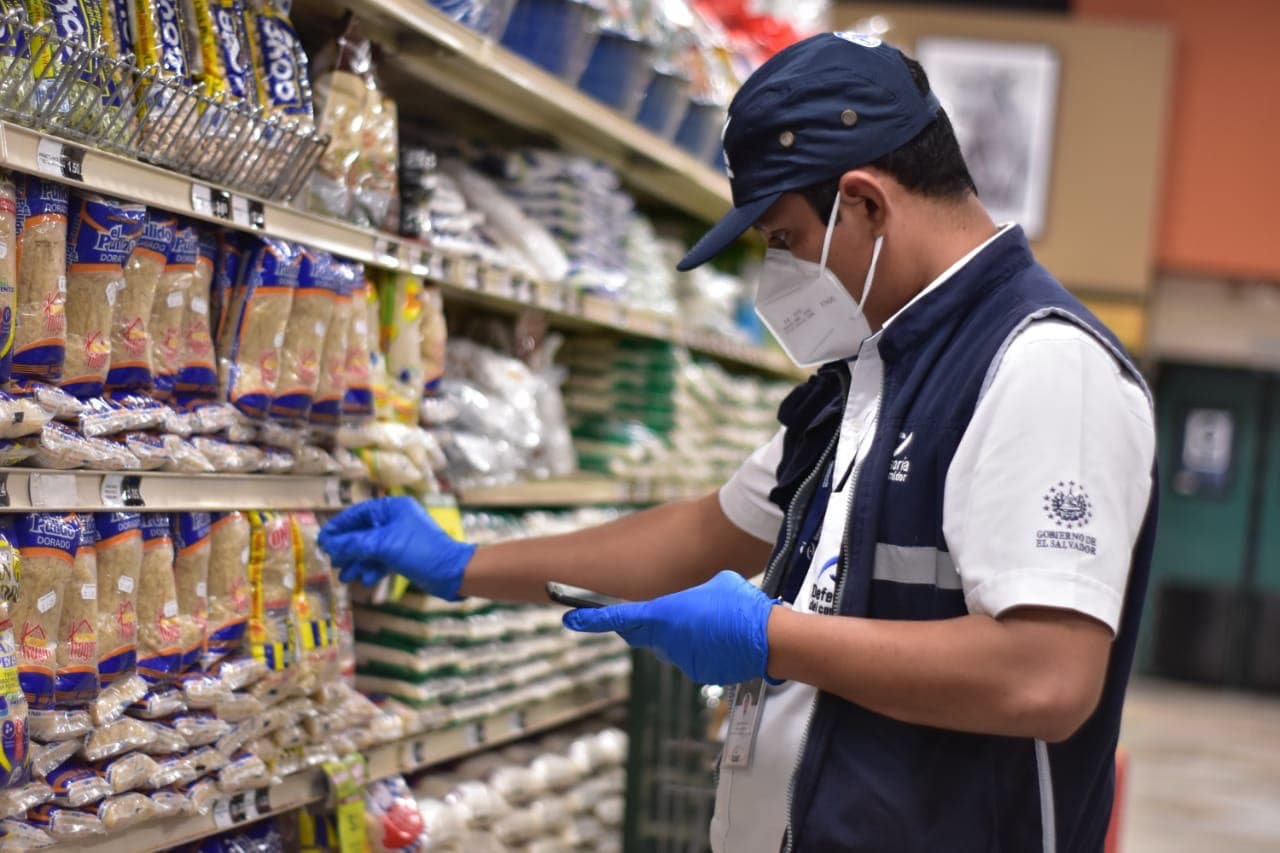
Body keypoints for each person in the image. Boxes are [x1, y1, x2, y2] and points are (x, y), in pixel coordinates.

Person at [320, 32, 1158, 853]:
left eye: (785, 240)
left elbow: (1046, 676)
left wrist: (772, 637)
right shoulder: (867, 379)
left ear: (866, 203)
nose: (779, 274)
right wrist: (462, 562)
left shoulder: (1041, 365)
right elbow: (698, 535)